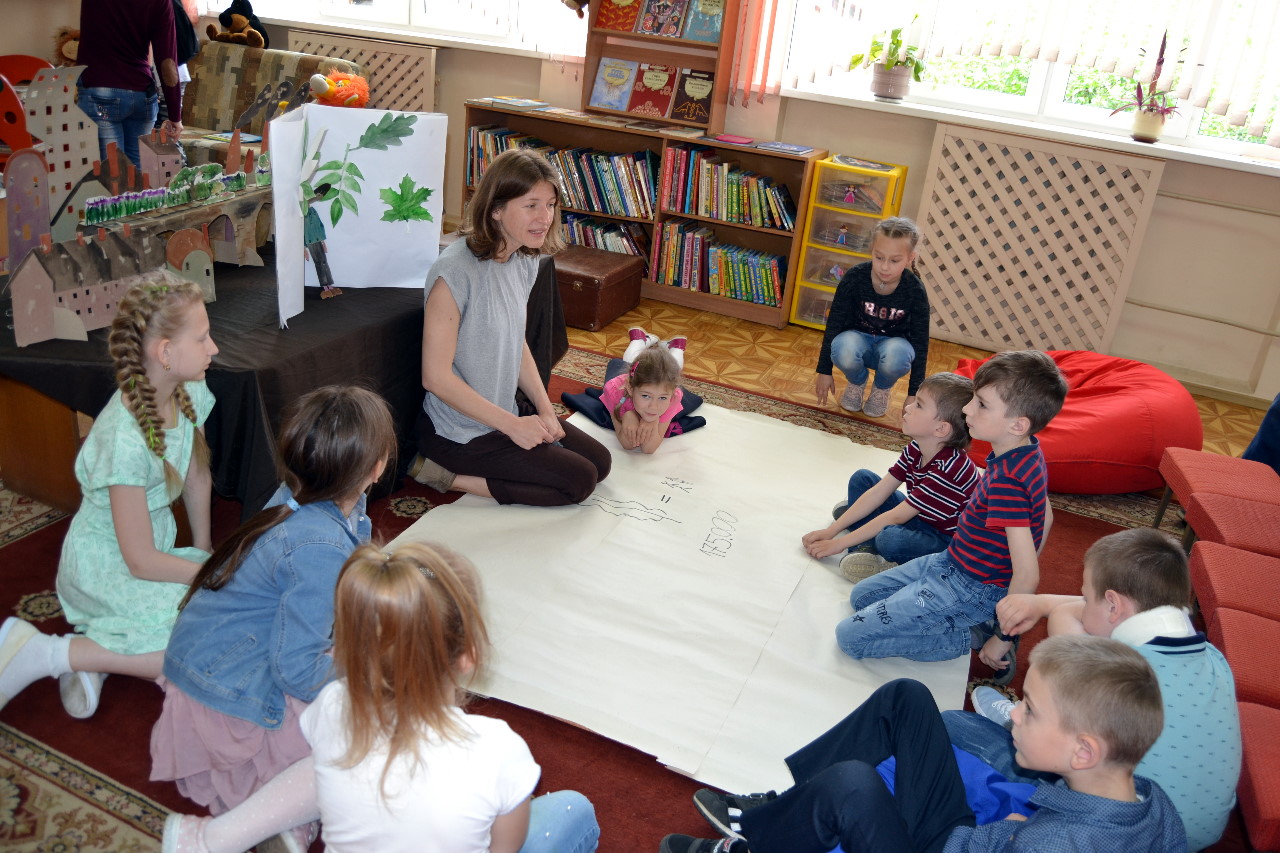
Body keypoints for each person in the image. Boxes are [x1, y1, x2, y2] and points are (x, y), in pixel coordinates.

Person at [160, 542, 601, 853]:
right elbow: (504, 848)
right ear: (468, 656)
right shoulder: (499, 749)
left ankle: (220, 838)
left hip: (357, 758)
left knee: (340, 759)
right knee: (573, 810)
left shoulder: (333, 705)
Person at [150, 385, 396, 850]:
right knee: (372, 731)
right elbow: (297, 671)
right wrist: (370, 670)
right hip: (229, 694)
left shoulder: (304, 497)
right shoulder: (318, 545)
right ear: (376, 468)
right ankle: (271, 814)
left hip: (216, 661)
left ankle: (282, 811)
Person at [663, 635, 1185, 853]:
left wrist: (1022, 838)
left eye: (1030, 708)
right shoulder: (1152, 801)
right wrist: (1015, 832)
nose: (1014, 713)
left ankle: (756, 841)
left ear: (1083, 752)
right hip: (966, 839)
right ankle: (787, 808)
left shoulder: (1055, 844)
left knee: (852, 786)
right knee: (907, 697)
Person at [0, 274, 216, 719]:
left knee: (223, 614)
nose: (213, 348)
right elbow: (139, 561)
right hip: (107, 565)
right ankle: (48, 653)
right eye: (202, 338)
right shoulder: (124, 438)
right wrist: (204, 574)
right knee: (198, 645)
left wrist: (205, 550)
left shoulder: (190, 388)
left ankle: (99, 649)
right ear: (165, 353)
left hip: (150, 552)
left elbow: (196, 474)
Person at [947, 528, 1241, 851]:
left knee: (953, 724)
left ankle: (1033, 718)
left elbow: (1065, 618)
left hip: (1117, 822)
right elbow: (1103, 612)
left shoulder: (1116, 674)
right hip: (1189, 830)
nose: (1081, 604)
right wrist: (1046, 603)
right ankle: (1035, 716)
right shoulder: (1215, 658)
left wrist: (1047, 605)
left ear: (1114, 605)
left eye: (1086, 598)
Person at [834, 350, 1067, 677]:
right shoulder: (1024, 450)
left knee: (850, 637)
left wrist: (1004, 636)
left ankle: (970, 634)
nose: (967, 409)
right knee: (863, 596)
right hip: (949, 561)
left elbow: (1028, 575)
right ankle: (962, 616)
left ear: (1018, 424)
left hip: (969, 586)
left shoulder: (1008, 483)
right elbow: (1046, 515)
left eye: (981, 404)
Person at [413, 148, 611, 505]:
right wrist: (513, 426)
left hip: (505, 410)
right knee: (579, 482)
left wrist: (545, 409)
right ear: (496, 209)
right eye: (531, 205)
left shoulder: (524, 258)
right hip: (459, 432)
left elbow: (515, 342)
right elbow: (435, 378)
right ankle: (444, 476)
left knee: (601, 463)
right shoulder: (453, 272)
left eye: (550, 205)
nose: (545, 217)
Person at [803, 372, 979, 583]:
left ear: (941, 429)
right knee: (863, 479)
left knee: (889, 539)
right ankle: (864, 545)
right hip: (921, 516)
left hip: (945, 540)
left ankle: (867, 543)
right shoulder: (916, 447)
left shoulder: (950, 469)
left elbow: (896, 517)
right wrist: (832, 531)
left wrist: (838, 544)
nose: (908, 407)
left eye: (919, 405)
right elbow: (880, 491)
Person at [815, 217, 930, 419]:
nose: (885, 267)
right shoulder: (855, 277)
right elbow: (834, 323)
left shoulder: (915, 290)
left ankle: (881, 388)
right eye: (879, 257)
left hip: (892, 349)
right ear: (872, 251)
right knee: (842, 347)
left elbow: (920, 342)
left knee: (897, 355)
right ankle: (857, 382)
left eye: (894, 261)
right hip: (858, 342)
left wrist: (914, 393)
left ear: (910, 258)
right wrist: (824, 371)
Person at [562, 326, 706, 453]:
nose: (654, 406)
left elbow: (649, 449)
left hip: (652, 380)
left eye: (662, 397)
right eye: (645, 396)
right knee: (625, 362)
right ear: (630, 389)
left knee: (673, 369)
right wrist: (627, 415)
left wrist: (653, 421)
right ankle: (640, 340)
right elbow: (627, 445)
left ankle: (676, 347)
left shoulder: (674, 395)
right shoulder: (614, 390)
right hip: (621, 384)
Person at [77, 0, 183, 167]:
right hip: (143, 95)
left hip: (100, 92)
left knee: (112, 174)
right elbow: (167, 62)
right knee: (138, 173)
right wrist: (175, 115)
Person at [303, 183, 343, 298]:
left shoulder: (312, 211)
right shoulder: (303, 214)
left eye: (320, 196)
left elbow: (320, 226)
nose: (318, 197)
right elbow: (301, 230)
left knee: (324, 262)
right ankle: (325, 287)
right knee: (319, 263)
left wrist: (322, 241)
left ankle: (330, 286)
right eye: (318, 195)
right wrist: (304, 247)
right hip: (310, 241)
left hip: (318, 239)